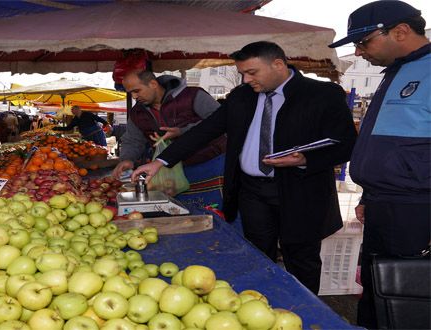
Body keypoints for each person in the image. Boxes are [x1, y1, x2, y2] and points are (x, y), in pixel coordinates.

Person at [133, 41, 358, 294]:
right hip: (252, 192)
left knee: (301, 258)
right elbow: (206, 131)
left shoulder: (322, 94)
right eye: (242, 73)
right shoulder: (242, 96)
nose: (246, 79)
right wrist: (161, 161)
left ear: (278, 64)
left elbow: (346, 144)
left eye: (252, 72)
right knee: (257, 255)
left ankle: (304, 311)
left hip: (300, 191)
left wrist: (306, 159)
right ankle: (261, 304)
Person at [329, 2, 430, 328]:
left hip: (418, 212)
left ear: (400, 31)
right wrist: (368, 196)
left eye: (363, 42)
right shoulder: (398, 71)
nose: (358, 53)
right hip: (384, 208)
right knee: (379, 288)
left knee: (411, 296)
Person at [111, 70, 225, 178]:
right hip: (172, 171)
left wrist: (182, 131)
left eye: (136, 91)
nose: (134, 97)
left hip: (213, 162)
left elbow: (222, 121)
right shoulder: (137, 113)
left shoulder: (193, 95)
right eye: (130, 93)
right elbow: (132, 140)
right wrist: (127, 159)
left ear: (153, 84)